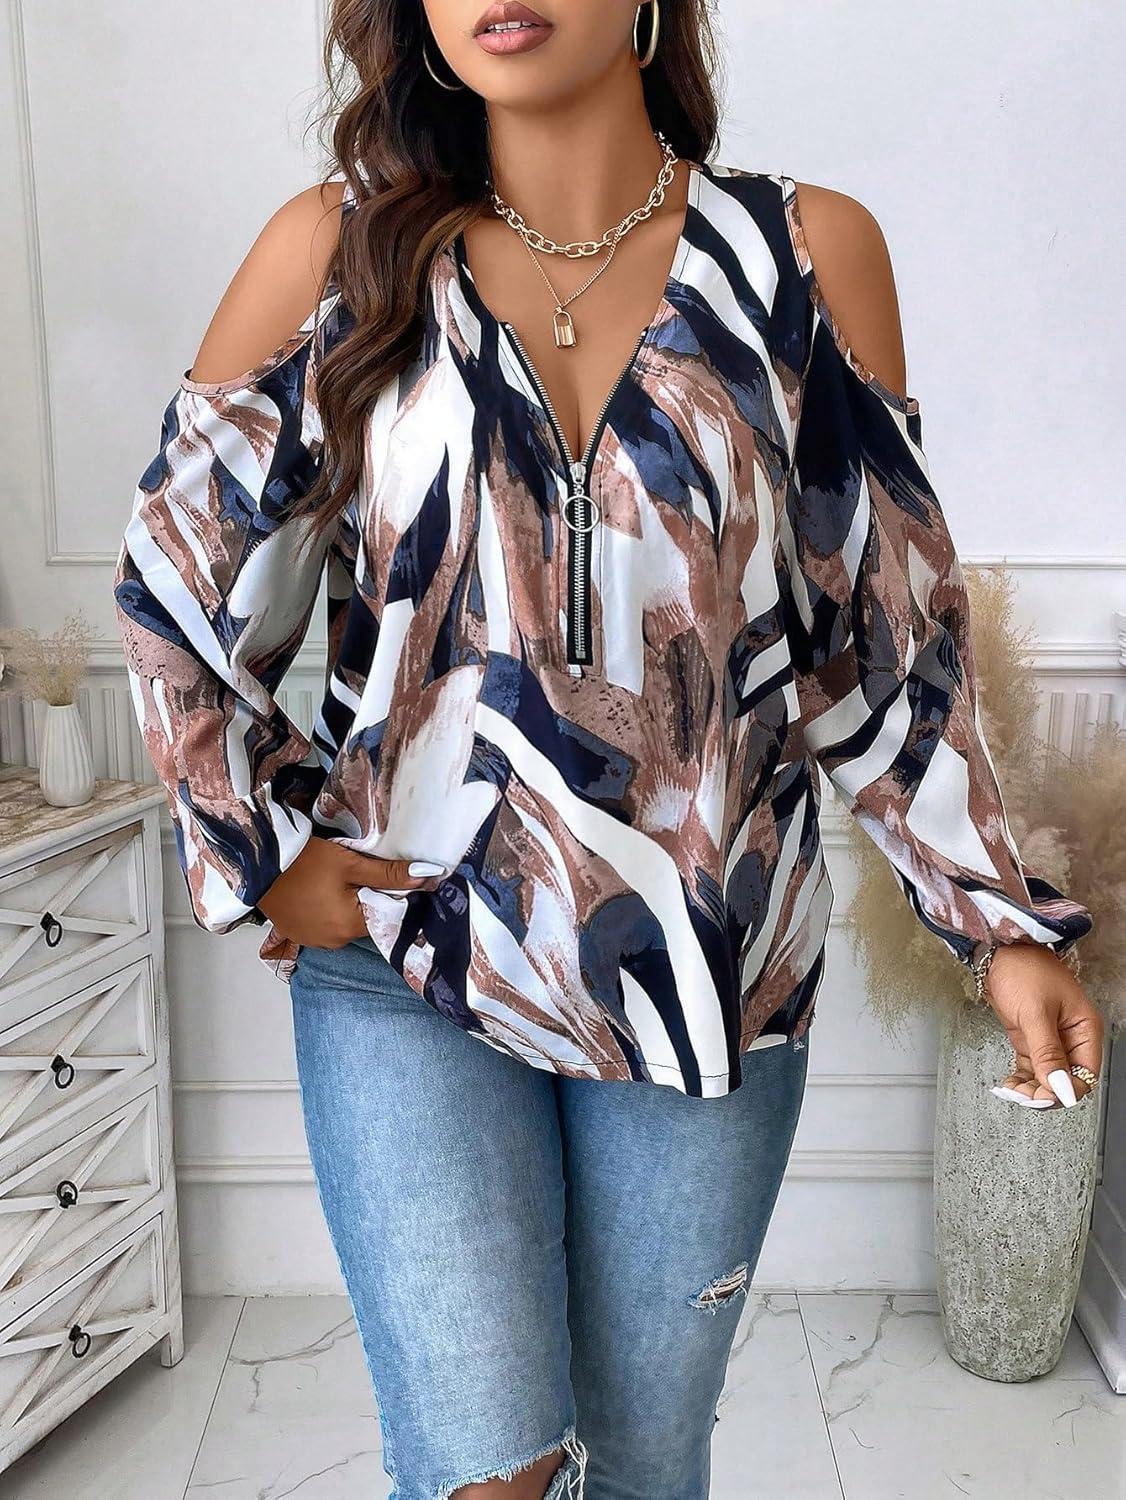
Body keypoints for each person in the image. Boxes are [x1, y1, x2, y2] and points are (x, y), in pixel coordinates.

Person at [113, 3, 1101, 1496]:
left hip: (706, 970)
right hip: (410, 960)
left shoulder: (804, 260)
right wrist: (262, 850)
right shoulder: (340, 255)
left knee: (640, 1463)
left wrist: (998, 924)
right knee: (483, 1472)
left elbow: (884, 636)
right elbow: (180, 585)